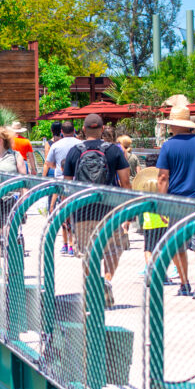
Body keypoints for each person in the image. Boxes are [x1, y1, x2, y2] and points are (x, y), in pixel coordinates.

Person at [63, 113, 132, 308]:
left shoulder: (74, 151)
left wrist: (66, 213)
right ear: (102, 129)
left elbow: (67, 186)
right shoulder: (114, 151)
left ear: (83, 130)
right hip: (109, 211)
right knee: (113, 250)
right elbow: (126, 182)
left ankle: (93, 286)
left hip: (82, 211)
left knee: (88, 252)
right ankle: (107, 280)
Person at [155, 104, 195, 300]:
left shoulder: (168, 146)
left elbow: (162, 178)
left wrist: (161, 204)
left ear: (173, 125)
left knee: (177, 244)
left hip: (175, 202)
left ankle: (184, 283)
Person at [44, 121, 82, 255]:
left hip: (60, 180)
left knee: (63, 215)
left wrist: (58, 168)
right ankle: (74, 243)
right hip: (77, 181)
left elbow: (48, 163)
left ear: (61, 131)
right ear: (74, 130)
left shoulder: (56, 145)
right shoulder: (80, 144)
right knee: (75, 214)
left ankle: (66, 244)